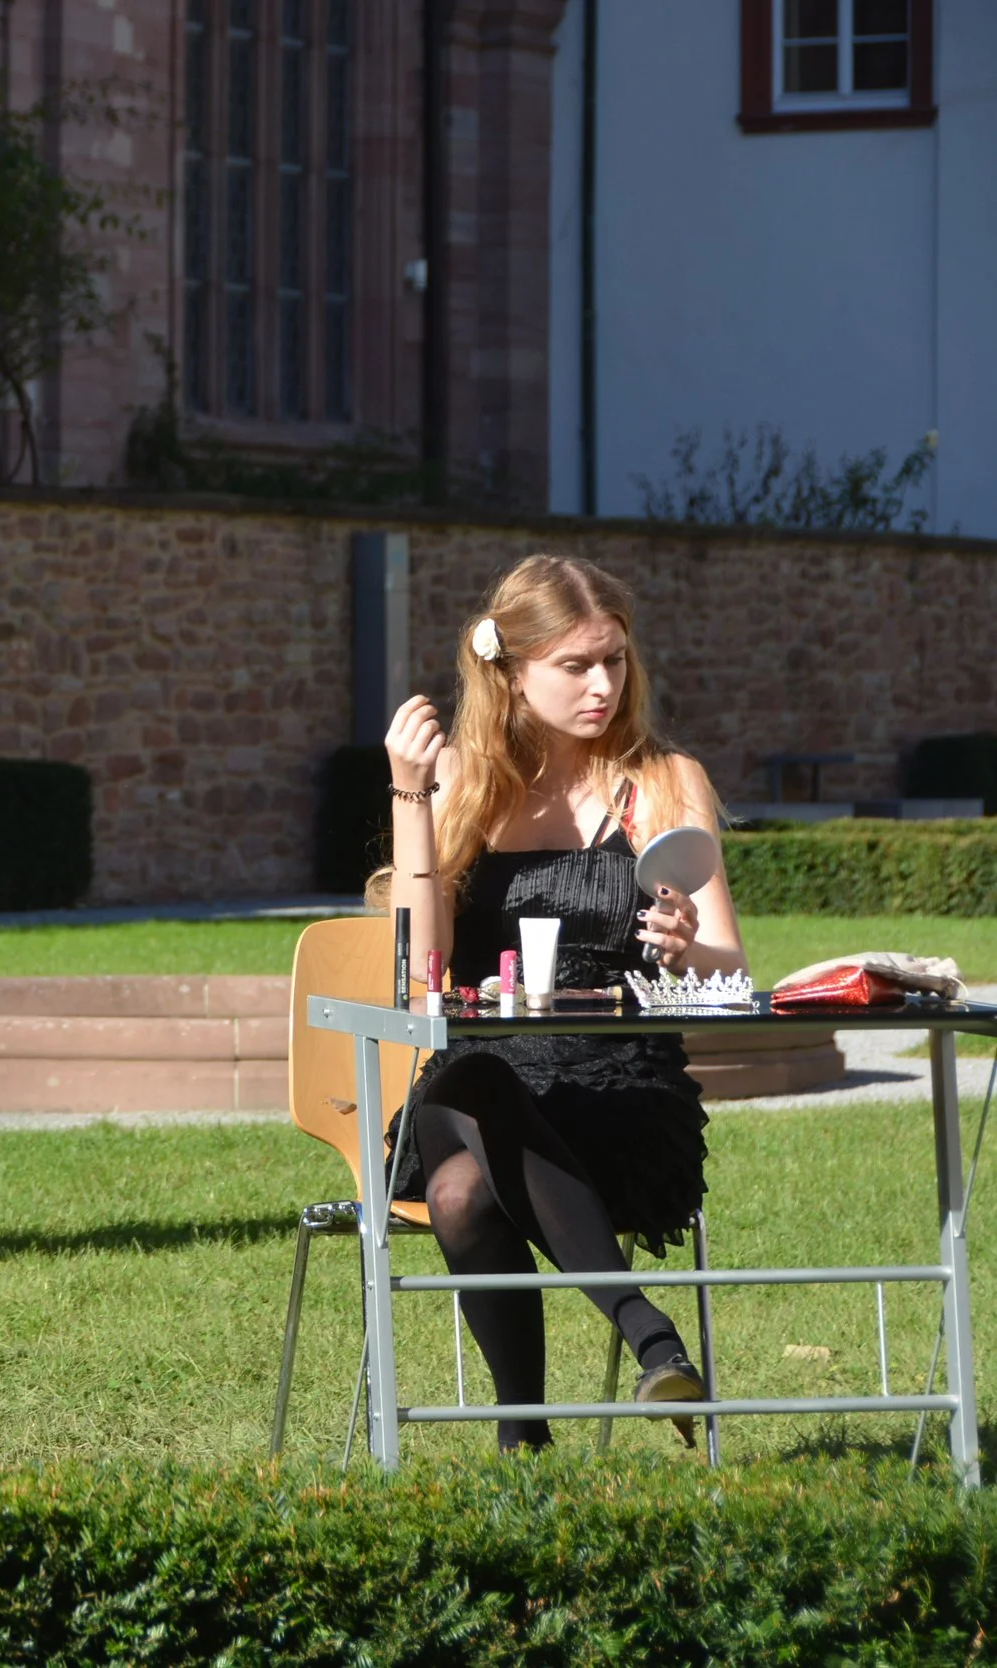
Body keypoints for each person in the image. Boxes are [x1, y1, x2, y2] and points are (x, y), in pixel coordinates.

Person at [382, 554, 744, 1452]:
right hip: (485, 1085)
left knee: (464, 1161)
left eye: (614, 661)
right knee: (467, 1096)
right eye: (575, 666)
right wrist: (411, 798)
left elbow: (728, 969)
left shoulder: (664, 781)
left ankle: (523, 1438)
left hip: (621, 1094)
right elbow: (416, 964)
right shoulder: (461, 778)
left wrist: (684, 943)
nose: (602, 686)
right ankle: (647, 1339)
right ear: (509, 675)